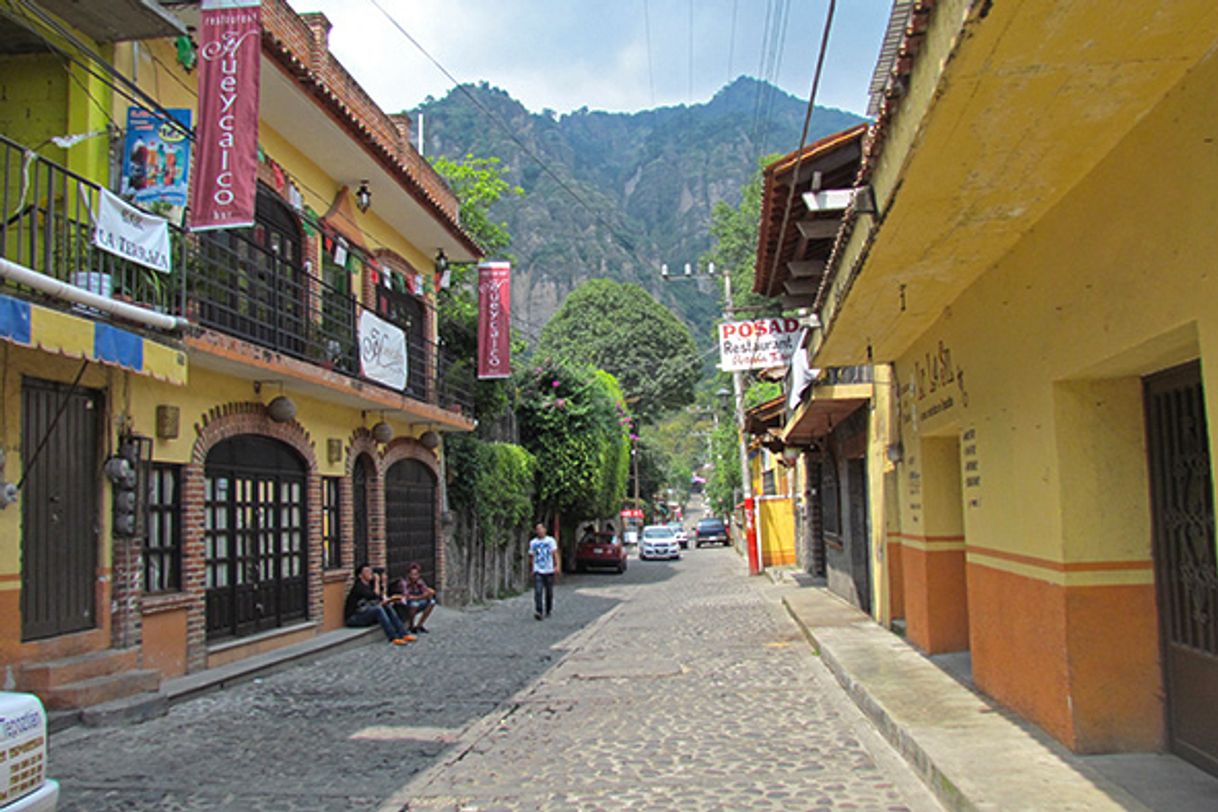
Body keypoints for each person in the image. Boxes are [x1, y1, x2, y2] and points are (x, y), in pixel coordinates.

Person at [344, 562, 414, 644]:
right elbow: (375, 596)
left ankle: (403, 633)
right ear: (360, 576)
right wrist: (377, 582)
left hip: (365, 613)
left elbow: (380, 599)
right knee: (378, 609)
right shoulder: (359, 587)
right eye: (366, 571)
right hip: (354, 618)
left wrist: (388, 596)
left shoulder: (370, 585)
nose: (370, 573)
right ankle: (392, 637)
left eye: (370, 571)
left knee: (387, 606)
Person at [391, 562, 437, 634]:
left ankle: (419, 625)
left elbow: (426, 591)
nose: (414, 577)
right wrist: (422, 597)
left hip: (416, 600)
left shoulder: (419, 582)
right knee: (414, 604)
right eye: (412, 574)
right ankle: (411, 625)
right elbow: (407, 597)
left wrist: (429, 593)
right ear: (408, 574)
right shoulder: (404, 583)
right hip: (403, 605)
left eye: (416, 574)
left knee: (432, 602)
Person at [529, 522, 560, 621]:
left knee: (549, 592)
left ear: (545, 530)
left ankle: (548, 609)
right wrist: (532, 568)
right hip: (538, 569)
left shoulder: (550, 541)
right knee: (538, 591)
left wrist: (557, 565)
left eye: (541, 529)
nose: (539, 531)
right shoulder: (533, 542)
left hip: (549, 569)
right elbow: (532, 556)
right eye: (537, 529)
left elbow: (555, 553)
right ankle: (539, 611)